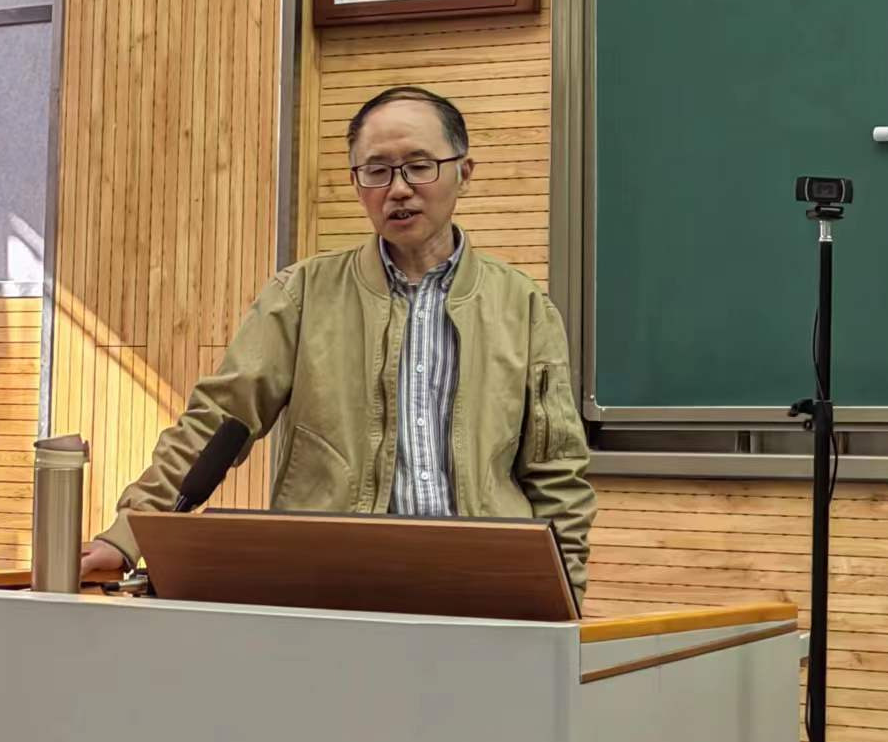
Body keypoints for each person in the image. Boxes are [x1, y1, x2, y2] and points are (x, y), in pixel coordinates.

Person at [77, 85, 596, 602]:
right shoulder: (302, 295)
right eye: (377, 171)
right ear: (356, 182)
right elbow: (218, 421)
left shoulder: (524, 308)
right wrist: (127, 536)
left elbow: (556, 472)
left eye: (419, 166)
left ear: (464, 171)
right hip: (332, 584)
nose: (399, 189)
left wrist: (563, 597)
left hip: (482, 590)